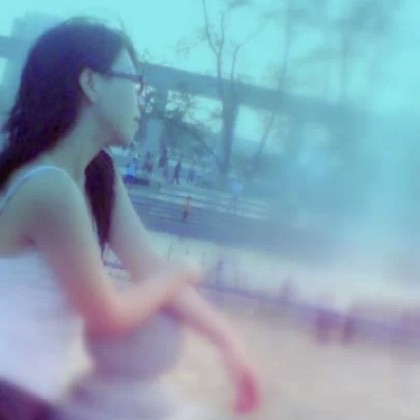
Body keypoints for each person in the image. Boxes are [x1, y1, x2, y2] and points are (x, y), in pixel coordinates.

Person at [0, 17, 261, 419]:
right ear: (91, 83)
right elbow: (108, 316)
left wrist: (228, 342)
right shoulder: (49, 187)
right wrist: (183, 271)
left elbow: (148, 267)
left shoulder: (97, 175)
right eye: (136, 84)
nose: (143, 102)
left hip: (30, 395)